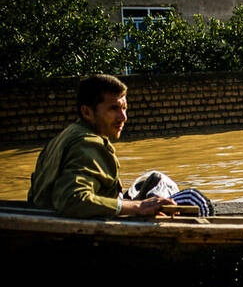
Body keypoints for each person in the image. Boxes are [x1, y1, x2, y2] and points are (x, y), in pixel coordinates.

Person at [28, 74, 208, 218]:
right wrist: (137, 206)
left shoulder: (65, 135)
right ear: (87, 112)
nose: (123, 117)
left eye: (124, 108)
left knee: (156, 179)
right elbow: (73, 200)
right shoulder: (88, 143)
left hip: (53, 214)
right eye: (114, 109)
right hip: (83, 228)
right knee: (194, 198)